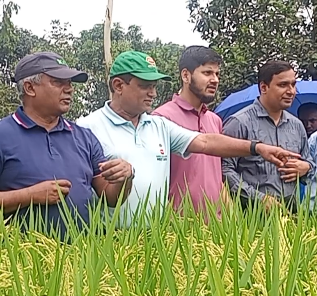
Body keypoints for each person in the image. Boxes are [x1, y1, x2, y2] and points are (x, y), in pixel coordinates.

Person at [77, 51, 299, 228]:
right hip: (112, 236)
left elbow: (205, 142)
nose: (153, 93)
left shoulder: (157, 125)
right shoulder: (87, 128)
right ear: (118, 86)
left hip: (157, 237)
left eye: (154, 86)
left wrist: (257, 147)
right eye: (145, 86)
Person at [0, 51, 134, 239]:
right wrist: (30, 195)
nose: (69, 89)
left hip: (83, 258)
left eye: (70, 83)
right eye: (58, 82)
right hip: (22, 261)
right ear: (30, 88)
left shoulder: (84, 137)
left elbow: (111, 198)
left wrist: (125, 177)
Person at [222, 60, 314, 213]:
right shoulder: (239, 123)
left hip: (291, 212)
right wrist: (258, 198)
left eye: (293, 84)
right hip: (250, 213)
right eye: (283, 85)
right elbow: (224, 170)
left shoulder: (296, 125)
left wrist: (306, 167)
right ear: (264, 87)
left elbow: (309, 162)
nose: (291, 91)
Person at [151, 46, 229, 216]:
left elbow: (217, 178)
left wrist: (231, 218)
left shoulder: (215, 120)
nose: (215, 80)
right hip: (177, 230)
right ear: (186, 75)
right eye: (207, 73)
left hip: (216, 230)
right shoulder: (162, 119)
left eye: (217, 74)